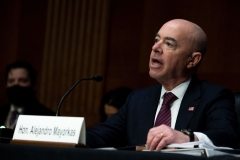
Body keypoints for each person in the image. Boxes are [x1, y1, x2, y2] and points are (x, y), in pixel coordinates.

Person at [86, 19, 239, 150]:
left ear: (192, 60)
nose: (155, 48)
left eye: (169, 44)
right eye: (156, 40)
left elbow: (227, 135)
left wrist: (185, 138)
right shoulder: (138, 99)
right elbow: (99, 136)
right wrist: (66, 132)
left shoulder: (213, 96)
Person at [0, 61, 55, 129]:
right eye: (11, 81)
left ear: (33, 84)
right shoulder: (1, 112)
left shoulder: (46, 117)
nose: (16, 84)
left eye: (22, 81)